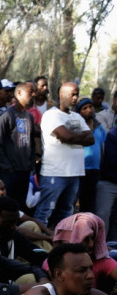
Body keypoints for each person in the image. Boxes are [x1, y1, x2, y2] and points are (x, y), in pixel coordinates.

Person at [34, 82, 95, 227]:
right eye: (72, 94)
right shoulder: (51, 115)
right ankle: (38, 247)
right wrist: (78, 137)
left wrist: (71, 137)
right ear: (62, 95)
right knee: (44, 212)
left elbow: (90, 139)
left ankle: (60, 245)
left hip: (74, 174)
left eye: (77, 94)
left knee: (66, 214)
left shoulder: (77, 116)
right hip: (54, 174)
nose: (75, 98)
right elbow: (67, 136)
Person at [76, 97, 107, 214]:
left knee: (90, 203)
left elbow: (103, 147)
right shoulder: (77, 126)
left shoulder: (99, 127)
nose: (89, 110)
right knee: (75, 200)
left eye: (90, 107)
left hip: (95, 170)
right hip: (80, 169)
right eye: (84, 108)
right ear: (79, 112)